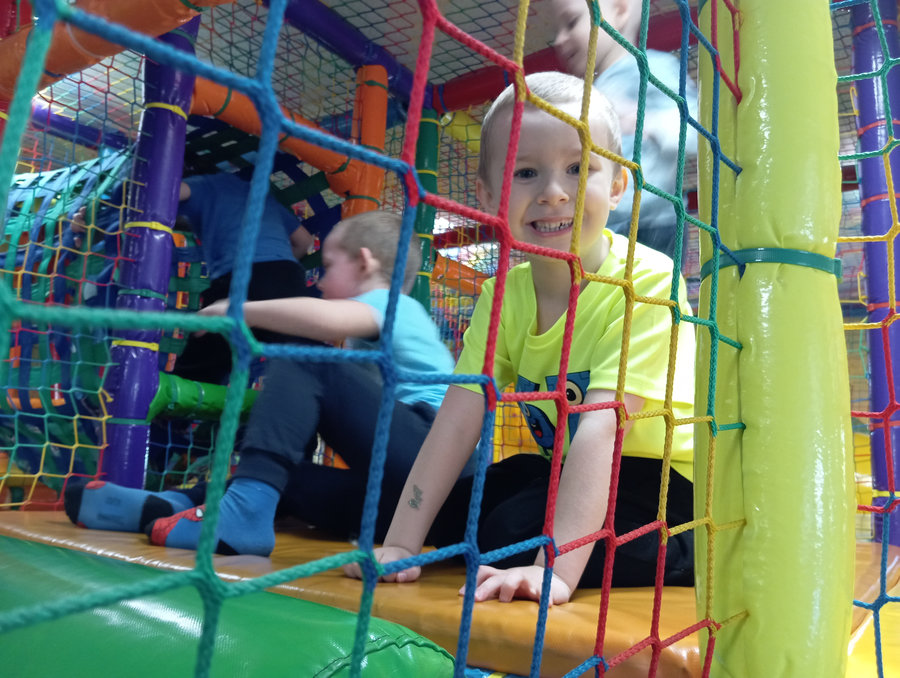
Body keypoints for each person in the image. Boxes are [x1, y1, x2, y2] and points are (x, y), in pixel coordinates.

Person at [344, 72, 695, 605]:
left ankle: (648, 553)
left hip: (667, 489)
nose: (554, 192)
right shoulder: (503, 296)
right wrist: (401, 545)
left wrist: (553, 571)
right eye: (526, 172)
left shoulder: (645, 283)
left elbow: (602, 430)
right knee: (474, 503)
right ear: (489, 195)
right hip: (568, 470)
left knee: (509, 530)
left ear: (618, 184)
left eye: (579, 168)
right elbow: (457, 419)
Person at [120, 211, 459, 555]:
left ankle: (241, 516)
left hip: (433, 455)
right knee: (287, 478)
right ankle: (170, 504)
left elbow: (326, 321)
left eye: (329, 267)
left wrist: (237, 309)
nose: (321, 282)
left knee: (305, 356)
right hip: (414, 512)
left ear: (364, 262)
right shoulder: (382, 324)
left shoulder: (393, 303)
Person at [549, 0, 698, 258]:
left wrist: (644, 121)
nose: (559, 40)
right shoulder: (592, 93)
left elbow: (694, 133)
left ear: (619, 11)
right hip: (605, 225)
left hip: (651, 225)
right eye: (556, 30)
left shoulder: (652, 67)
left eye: (571, 22)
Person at [172, 172, 316, 384]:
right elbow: (304, 241)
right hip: (288, 277)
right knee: (297, 355)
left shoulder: (205, 183)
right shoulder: (261, 196)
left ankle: (179, 400)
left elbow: (169, 191)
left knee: (202, 361)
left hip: (242, 277)